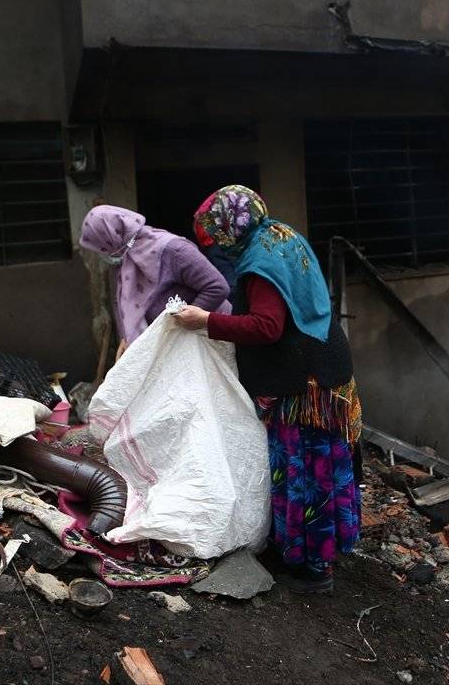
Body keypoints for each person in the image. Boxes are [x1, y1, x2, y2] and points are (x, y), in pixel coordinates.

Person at [175, 185, 361, 594]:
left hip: (303, 383)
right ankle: (320, 553)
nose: (217, 243)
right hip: (324, 365)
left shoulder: (259, 265)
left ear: (229, 225)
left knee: (305, 474)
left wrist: (206, 321)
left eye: (216, 233)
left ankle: (313, 571)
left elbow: (267, 326)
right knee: (325, 470)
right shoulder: (279, 234)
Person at [79, 205, 228, 355]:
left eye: (101, 249)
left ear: (112, 238)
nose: (102, 254)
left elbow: (217, 287)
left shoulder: (173, 250)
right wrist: (127, 340)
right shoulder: (123, 261)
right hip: (171, 346)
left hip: (206, 338)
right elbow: (125, 306)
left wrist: (182, 324)